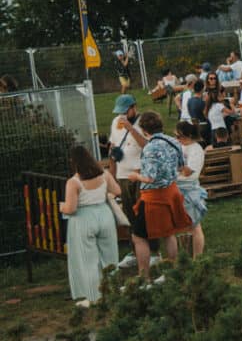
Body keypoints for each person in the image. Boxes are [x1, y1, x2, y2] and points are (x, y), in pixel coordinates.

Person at [131, 112, 193, 281]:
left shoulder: (150, 147)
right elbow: (182, 167)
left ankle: (144, 277)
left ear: (144, 130)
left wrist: (136, 176)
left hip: (154, 196)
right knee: (169, 232)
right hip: (171, 191)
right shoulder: (173, 141)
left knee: (138, 236)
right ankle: (173, 270)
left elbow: (150, 178)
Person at [61, 145, 120, 306]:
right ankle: (113, 290)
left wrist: (61, 207)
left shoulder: (73, 182)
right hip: (104, 214)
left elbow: (71, 208)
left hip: (83, 219)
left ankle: (94, 297)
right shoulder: (105, 175)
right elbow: (117, 191)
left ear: (73, 161)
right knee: (110, 256)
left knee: (88, 260)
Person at [173, 120, 208, 258]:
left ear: (188, 135)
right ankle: (186, 255)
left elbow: (188, 171)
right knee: (183, 226)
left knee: (194, 225)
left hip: (189, 188)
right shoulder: (180, 147)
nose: (177, 139)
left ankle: (197, 257)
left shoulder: (196, 149)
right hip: (177, 187)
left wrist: (175, 169)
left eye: (179, 136)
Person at [109, 93, 147, 214]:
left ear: (134, 107)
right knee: (128, 209)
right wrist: (112, 175)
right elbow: (113, 146)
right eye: (120, 112)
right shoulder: (116, 121)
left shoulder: (143, 122)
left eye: (125, 112)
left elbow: (146, 145)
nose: (122, 115)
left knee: (141, 208)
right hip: (122, 173)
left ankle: (143, 232)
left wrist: (131, 128)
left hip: (139, 172)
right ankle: (133, 232)